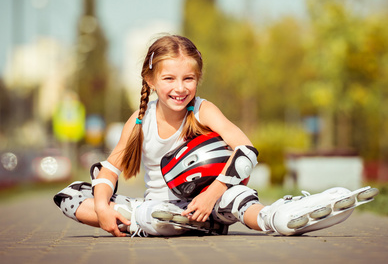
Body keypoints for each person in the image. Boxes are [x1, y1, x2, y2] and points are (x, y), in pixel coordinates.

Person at [54, 34, 378, 237]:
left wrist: (213, 192)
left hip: (210, 204)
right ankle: (152, 219)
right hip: (159, 206)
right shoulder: (139, 120)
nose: (179, 88)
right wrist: (101, 207)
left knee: (233, 196)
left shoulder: (202, 110)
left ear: (198, 79)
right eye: (169, 78)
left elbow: (247, 149)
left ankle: (275, 218)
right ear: (150, 80)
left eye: (188, 78)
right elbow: (109, 168)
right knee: (71, 196)